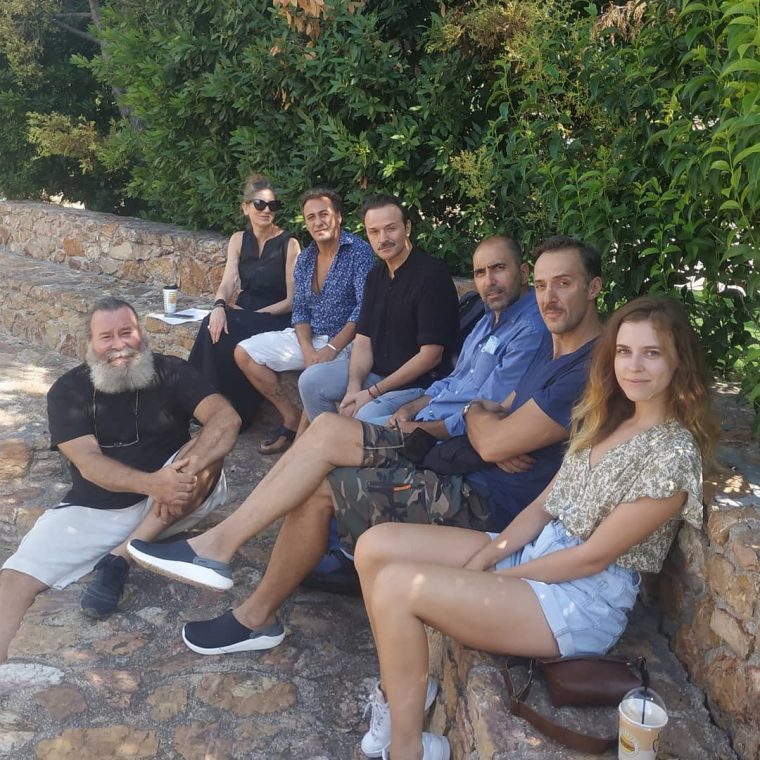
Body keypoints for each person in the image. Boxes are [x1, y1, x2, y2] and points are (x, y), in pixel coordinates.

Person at [125, 236, 601, 665]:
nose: (548, 297)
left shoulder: (582, 368)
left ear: (594, 288)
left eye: (563, 284)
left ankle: (254, 613)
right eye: (543, 285)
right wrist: (485, 419)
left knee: (323, 486)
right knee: (328, 429)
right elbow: (493, 407)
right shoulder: (553, 347)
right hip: (459, 455)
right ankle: (219, 548)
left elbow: (492, 431)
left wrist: (485, 422)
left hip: (487, 498)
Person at [352, 295, 718, 760]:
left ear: (678, 361)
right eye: (624, 351)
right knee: (375, 545)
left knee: (397, 587)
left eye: (652, 353)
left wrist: (495, 577)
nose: (634, 366)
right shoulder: (607, 419)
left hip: (580, 600)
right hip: (538, 554)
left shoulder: (673, 453)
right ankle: (404, 690)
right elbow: (545, 504)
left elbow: (592, 557)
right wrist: (487, 557)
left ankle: (409, 750)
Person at [0, 297, 240, 663]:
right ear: (90, 344)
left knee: (207, 451)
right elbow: (88, 463)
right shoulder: (67, 391)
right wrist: (152, 484)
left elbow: (226, 418)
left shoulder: (171, 371)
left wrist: (174, 478)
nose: (119, 345)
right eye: (106, 337)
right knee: (14, 579)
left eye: (126, 333)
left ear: (141, 334)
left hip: (178, 494)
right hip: (96, 505)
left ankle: (120, 558)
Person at [234, 187, 375, 454]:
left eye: (324, 214)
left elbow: (364, 308)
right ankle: (291, 417)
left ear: (338, 217)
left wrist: (331, 349)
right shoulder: (307, 257)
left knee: (312, 378)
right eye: (311, 217)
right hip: (310, 340)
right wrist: (308, 348)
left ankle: (303, 446)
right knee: (244, 353)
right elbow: (299, 309)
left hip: (346, 343)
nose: (318, 222)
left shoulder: (359, 252)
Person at [297, 194, 459, 423]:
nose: (383, 239)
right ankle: (334, 438)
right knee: (310, 381)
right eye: (374, 232)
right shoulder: (375, 276)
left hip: (418, 385)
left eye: (391, 229)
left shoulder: (431, 276)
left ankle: (344, 440)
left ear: (407, 228)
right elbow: (363, 340)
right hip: (376, 375)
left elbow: (430, 356)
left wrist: (372, 393)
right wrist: (354, 388)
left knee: (364, 415)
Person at [187, 174, 301, 429]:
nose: (266, 210)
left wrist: (252, 315)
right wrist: (219, 306)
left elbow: (291, 301)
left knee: (226, 329)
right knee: (213, 324)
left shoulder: (289, 244)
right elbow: (227, 283)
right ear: (245, 207)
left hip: (275, 315)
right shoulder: (238, 239)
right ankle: (204, 404)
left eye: (272, 205)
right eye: (259, 204)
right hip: (242, 310)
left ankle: (223, 409)